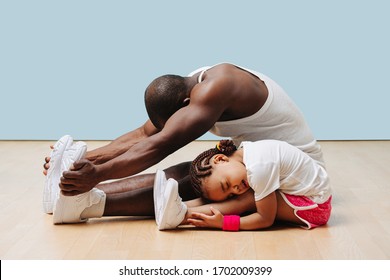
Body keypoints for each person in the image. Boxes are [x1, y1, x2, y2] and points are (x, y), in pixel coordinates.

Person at [43, 62, 326, 222]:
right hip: (257, 163)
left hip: (296, 175)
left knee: (196, 182)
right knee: (192, 169)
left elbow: (160, 144)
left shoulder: (217, 88)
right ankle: (70, 197)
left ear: (187, 105)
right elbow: (145, 134)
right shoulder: (191, 84)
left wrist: (98, 174)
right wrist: (81, 164)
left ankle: (89, 205)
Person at [155, 139, 332, 231]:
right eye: (230, 193)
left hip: (315, 207)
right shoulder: (247, 154)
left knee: (247, 197)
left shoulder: (258, 168)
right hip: (304, 196)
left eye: (226, 185)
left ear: (221, 159)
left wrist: (223, 223)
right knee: (240, 194)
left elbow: (265, 219)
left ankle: (181, 216)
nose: (236, 189)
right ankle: (176, 204)